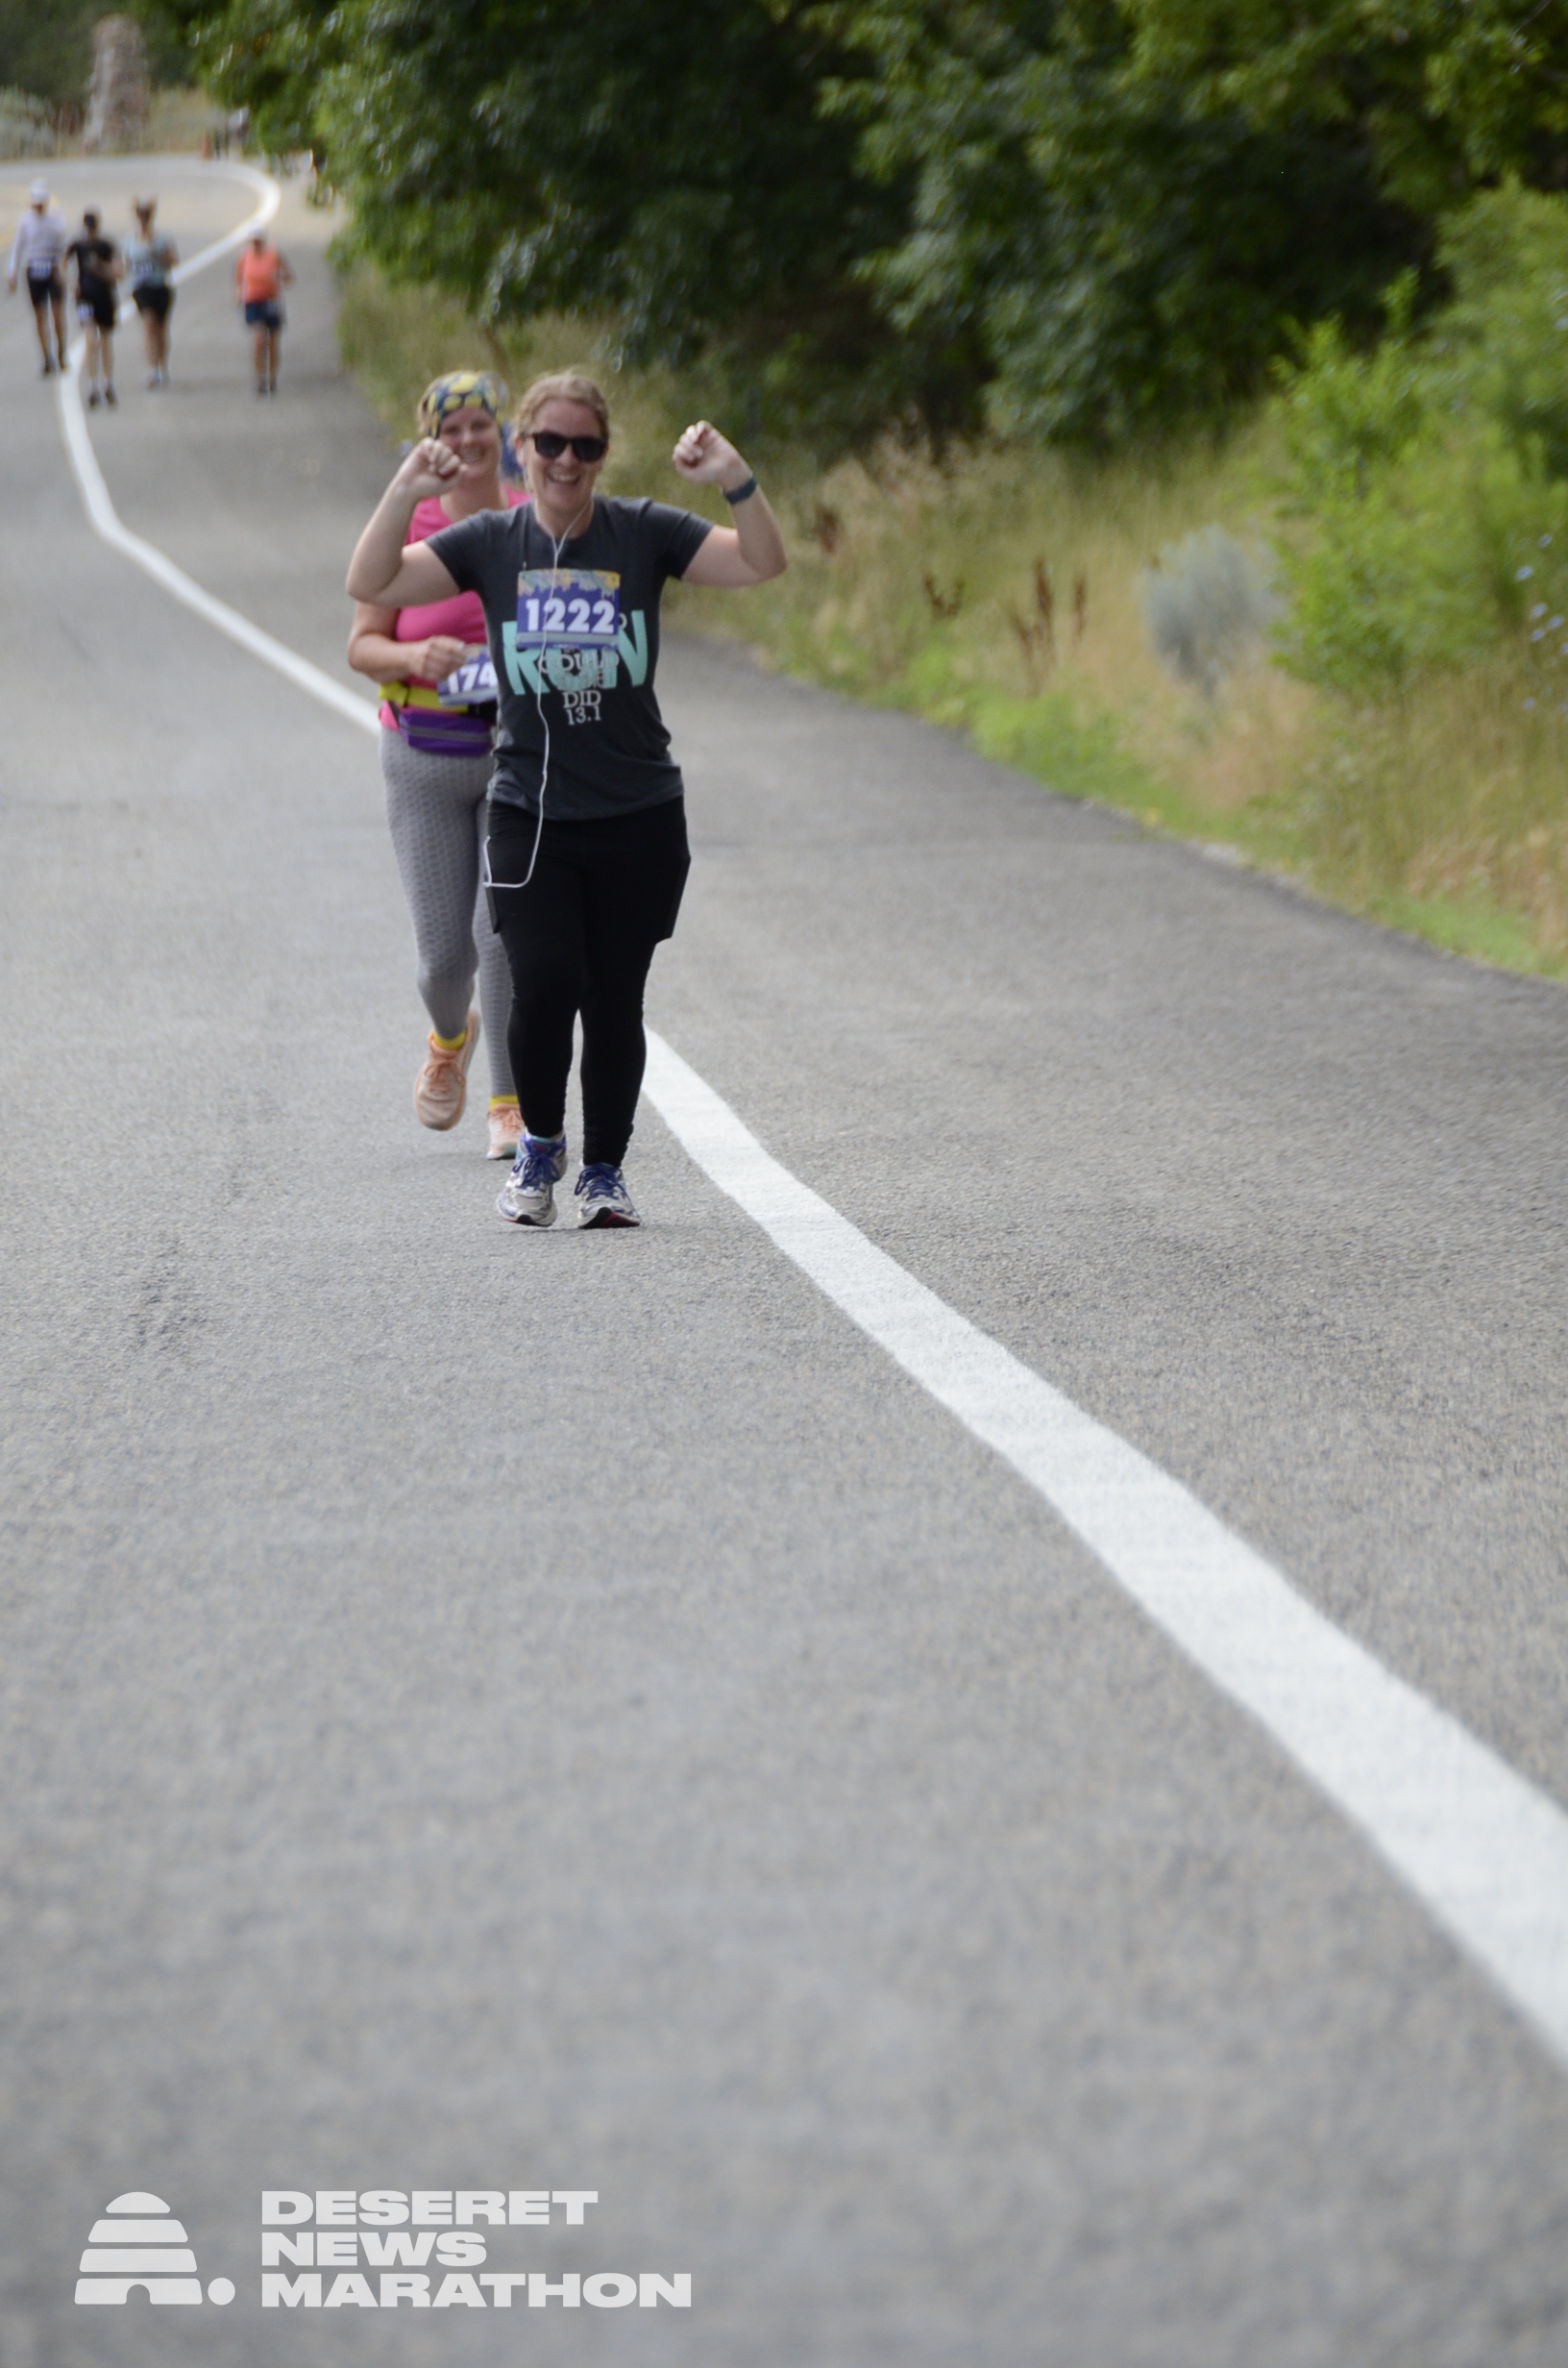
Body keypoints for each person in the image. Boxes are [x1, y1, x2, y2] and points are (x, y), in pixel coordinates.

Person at [346, 370, 787, 1229]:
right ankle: (541, 1147)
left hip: (636, 809)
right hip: (530, 808)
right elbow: (373, 579)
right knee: (543, 982)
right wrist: (406, 489)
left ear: (603, 454)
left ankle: (605, 1173)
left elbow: (762, 561)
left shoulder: (643, 531)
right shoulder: (490, 541)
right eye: (549, 442)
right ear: (522, 448)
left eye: (586, 445)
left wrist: (735, 477)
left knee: (615, 999)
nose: (566, 459)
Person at [347, 371, 529, 1156]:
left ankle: (509, 1104)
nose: (467, 440)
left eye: (480, 425)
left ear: (502, 433)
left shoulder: (532, 520)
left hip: (515, 755)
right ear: (431, 441)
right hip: (423, 754)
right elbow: (361, 645)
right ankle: (449, 1039)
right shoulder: (410, 524)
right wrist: (413, 655)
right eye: (450, 430)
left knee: (503, 936)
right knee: (443, 960)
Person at [7, 179, 68, 376]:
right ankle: (46, 357)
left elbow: (63, 248)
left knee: (57, 315)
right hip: (34, 269)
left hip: (52, 269)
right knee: (40, 316)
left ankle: (61, 353)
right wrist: (12, 272)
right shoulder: (25, 221)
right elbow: (17, 247)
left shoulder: (56, 220)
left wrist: (62, 271)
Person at [64, 210, 120, 408]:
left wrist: (101, 268)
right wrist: (72, 284)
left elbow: (118, 271)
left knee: (105, 339)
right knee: (90, 338)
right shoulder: (77, 245)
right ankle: (92, 384)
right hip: (85, 298)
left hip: (104, 296)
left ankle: (107, 381)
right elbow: (62, 264)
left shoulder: (106, 245)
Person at [126, 198, 177, 386]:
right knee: (148, 325)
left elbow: (172, 261)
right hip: (142, 287)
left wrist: (155, 249)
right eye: (141, 216)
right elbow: (125, 264)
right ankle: (152, 368)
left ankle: (162, 366)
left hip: (160, 285)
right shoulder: (131, 239)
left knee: (161, 329)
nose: (143, 220)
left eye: (146, 216)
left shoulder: (161, 239)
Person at [234, 232, 292, 394]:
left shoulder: (274, 254)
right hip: (253, 301)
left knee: (273, 341)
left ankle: (272, 378)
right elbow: (238, 277)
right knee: (259, 338)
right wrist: (239, 294)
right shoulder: (244, 255)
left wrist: (279, 277)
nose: (255, 244)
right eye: (253, 241)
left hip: (271, 300)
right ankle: (260, 379)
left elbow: (289, 276)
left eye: (258, 241)